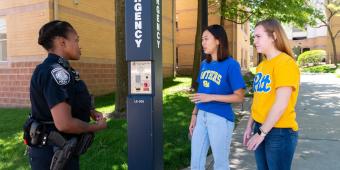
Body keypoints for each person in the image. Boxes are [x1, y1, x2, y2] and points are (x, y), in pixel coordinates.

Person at [24, 20, 107, 170]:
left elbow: (68, 100)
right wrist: (96, 127)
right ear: (62, 42)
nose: (79, 45)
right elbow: (64, 123)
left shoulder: (61, 69)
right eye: (76, 40)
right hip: (53, 156)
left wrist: (89, 111)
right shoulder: (56, 73)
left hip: (61, 152)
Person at [243, 19, 300, 170]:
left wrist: (261, 133)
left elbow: (281, 104)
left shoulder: (285, 63)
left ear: (274, 36)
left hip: (279, 132)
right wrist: (250, 126)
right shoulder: (262, 66)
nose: (254, 41)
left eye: (258, 36)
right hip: (260, 127)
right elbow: (258, 100)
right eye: (254, 37)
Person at [189, 24, 245, 170]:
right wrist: (194, 114)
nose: (203, 43)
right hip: (201, 117)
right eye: (202, 39)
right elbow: (201, 93)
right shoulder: (204, 64)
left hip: (220, 119)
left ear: (218, 40)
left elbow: (239, 97)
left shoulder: (231, 65)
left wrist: (212, 97)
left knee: (220, 164)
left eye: (206, 39)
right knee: (196, 162)